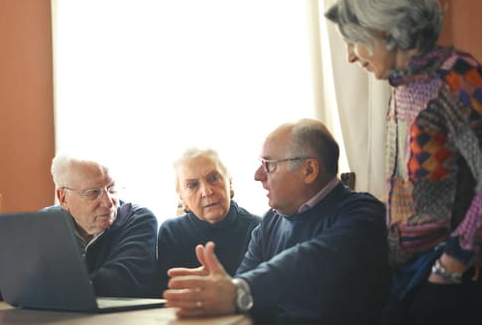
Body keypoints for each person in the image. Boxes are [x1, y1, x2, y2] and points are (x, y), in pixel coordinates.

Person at [325, 0, 482, 324]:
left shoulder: (458, 78)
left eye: (353, 39)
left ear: (385, 29)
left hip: (461, 277)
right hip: (415, 269)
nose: (350, 55)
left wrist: (450, 265)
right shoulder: (403, 86)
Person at [164, 119, 389, 324]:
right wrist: (219, 290)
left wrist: (237, 291)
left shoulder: (365, 214)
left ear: (308, 170)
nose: (257, 175)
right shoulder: (270, 223)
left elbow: (312, 258)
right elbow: (244, 293)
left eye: (268, 165)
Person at [42, 153, 158, 297]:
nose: (109, 202)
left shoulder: (138, 220)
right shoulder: (46, 223)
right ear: (63, 198)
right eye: (93, 193)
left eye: (111, 189)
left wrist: (47, 289)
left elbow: (121, 282)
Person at [155, 147, 260, 296]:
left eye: (213, 178)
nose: (206, 192)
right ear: (182, 198)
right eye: (192, 185)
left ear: (229, 183)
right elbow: (164, 296)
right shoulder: (171, 232)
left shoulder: (258, 228)